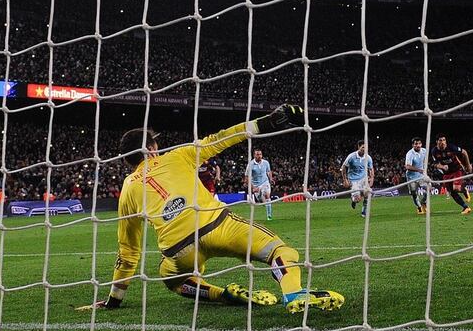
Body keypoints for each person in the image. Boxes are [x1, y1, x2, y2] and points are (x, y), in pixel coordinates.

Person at [77, 105, 343, 314]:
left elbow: (128, 253)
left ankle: (222, 294)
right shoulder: (177, 155)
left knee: (172, 279)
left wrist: (114, 299)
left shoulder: (127, 190)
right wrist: (266, 122)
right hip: (217, 226)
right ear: (151, 149)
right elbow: (221, 139)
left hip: (178, 250)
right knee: (279, 251)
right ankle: (294, 294)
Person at [430, 134, 472, 214]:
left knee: (456, 188)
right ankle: (465, 207)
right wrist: (442, 166)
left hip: (457, 170)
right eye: (440, 140)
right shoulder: (434, 151)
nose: (443, 142)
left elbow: (464, 152)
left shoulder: (451, 147)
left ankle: (464, 190)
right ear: (437, 142)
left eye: (444, 140)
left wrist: (468, 165)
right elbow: (435, 164)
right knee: (452, 192)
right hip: (446, 173)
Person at [341, 140, 375, 218]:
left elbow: (371, 169)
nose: (364, 149)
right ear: (358, 147)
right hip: (353, 180)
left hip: (363, 178)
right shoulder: (351, 156)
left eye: (366, 147)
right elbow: (343, 167)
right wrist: (345, 179)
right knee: (357, 200)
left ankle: (364, 212)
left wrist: (372, 178)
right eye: (363, 147)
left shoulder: (368, 157)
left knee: (368, 193)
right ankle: (354, 200)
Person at [246, 149, 275, 220]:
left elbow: (268, 171)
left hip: (265, 182)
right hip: (256, 185)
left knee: (267, 195)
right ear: (254, 155)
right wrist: (253, 187)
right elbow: (247, 177)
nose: (259, 156)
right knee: (261, 201)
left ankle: (269, 216)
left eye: (260, 154)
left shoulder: (265, 162)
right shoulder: (250, 164)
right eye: (257, 154)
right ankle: (263, 201)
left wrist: (271, 179)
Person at [404, 137, 428, 215]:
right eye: (416, 144)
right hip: (411, 177)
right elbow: (407, 166)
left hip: (421, 176)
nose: (418, 145)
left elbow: (424, 160)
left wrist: (424, 169)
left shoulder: (424, 151)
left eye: (419, 143)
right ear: (413, 145)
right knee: (414, 193)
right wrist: (419, 170)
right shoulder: (410, 154)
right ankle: (419, 207)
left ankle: (423, 202)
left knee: (428, 188)